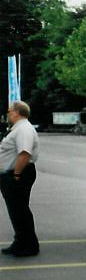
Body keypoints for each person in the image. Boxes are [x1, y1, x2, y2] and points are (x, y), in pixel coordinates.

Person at [1, 101, 40, 257]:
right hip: (13, 174)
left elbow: (24, 153)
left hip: (18, 174)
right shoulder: (18, 129)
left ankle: (29, 245)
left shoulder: (24, 129)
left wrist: (16, 175)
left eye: (10, 111)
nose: (8, 114)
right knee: (16, 210)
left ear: (17, 112)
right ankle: (20, 241)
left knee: (20, 210)